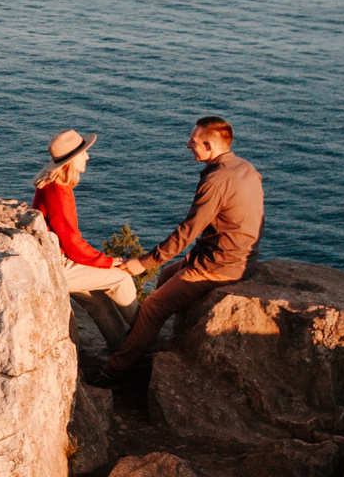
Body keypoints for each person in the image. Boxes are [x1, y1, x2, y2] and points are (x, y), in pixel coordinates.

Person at [101, 116, 263, 380]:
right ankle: (141, 344)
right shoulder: (245, 169)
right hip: (236, 258)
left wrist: (143, 263)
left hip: (219, 267)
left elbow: (187, 232)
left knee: (153, 307)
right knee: (166, 276)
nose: (188, 145)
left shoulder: (216, 180)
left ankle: (114, 372)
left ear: (209, 146)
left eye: (194, 140)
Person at [31, 129, 138, 352]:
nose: (87, 157)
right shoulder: (58, 193)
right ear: (70, 161)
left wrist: (98, 261)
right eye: (83, 154)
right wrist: (107, 262)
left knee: (98, 301)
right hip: (57, 267)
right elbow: (71, 243)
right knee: (121, 280)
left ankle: (124, 351)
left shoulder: (56, 185)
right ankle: (145, 332)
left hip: (50, 261)